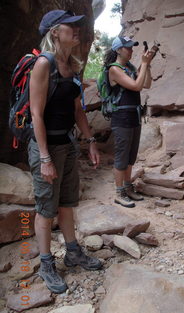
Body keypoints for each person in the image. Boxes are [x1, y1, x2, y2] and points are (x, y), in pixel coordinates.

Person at [28, 9, 102, 294]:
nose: (77, 29)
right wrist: (45, 158)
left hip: (68, 145)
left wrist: (90, 140)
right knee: (46, 209)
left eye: (76, 26)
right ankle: (46, 263)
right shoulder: (43, 64)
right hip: (47, 148)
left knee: (67, 203)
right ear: (54, 32)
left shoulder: (71, 65)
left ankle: (72, 252)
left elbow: (77, 108)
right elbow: (36, 114)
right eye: (69, 26)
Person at [103, 36, 155, 208]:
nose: (131, 50)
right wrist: (144, 63)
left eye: (132, 47)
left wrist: (147, 64)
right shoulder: (114, 69)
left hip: (134, 115)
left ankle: (127, 187)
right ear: (118, 50)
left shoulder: (130, 68)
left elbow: (146, 84)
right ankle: (119, 193)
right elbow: (136, 86)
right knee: (122, 156)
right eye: (128, 48)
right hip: (121, 118)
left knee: (131, 157)